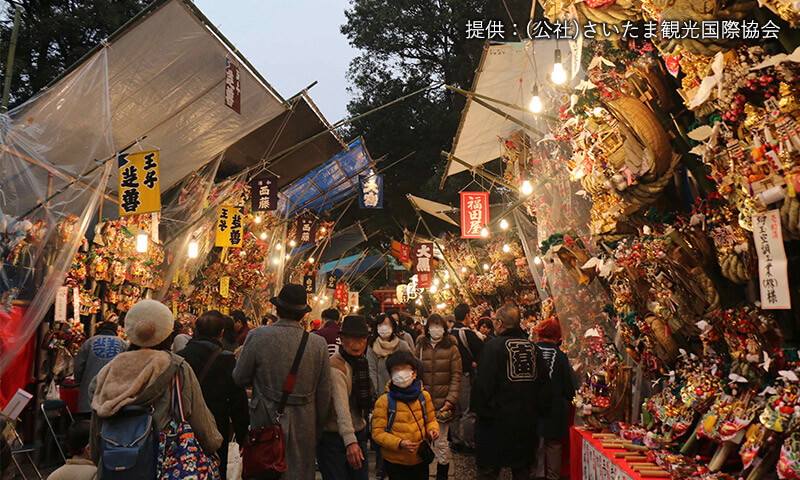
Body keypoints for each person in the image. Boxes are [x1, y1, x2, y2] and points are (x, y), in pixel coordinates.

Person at [89, 300, 222, 466]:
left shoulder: (109, 371)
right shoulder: (176, 368)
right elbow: (200, 419)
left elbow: (97, 424)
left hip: (116, 464)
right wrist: (212, 447)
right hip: (163, 464)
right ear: (167, 332)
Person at [233, 284, 331, 480]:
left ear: (276, 310)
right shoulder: (317, 344)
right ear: (304, 315)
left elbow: (239, 377)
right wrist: (318, 428)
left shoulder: (258, 336)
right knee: (299, 472)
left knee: (265, 470)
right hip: (304, 421)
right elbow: (324, 392)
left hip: (265, 418)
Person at [471, 304, 552, 480]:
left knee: (489, 472)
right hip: (525, 425)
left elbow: (482, 387)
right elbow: (545, 387)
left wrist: (483, 414)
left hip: (494, 425)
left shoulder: (493, 348)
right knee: (522, 470)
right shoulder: (533, 349)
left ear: (499, 323)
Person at [177, 310, 249, 480]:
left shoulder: (179, 358)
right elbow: (238, 401)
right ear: (221, 333)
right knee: (216, 468)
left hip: (185, 425)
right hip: (216, 427)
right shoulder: (226, 360)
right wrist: (241, 436)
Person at [317, 315, 373, 480]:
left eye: (361, 338)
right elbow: (341, 407)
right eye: (351, 338)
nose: (356, 344)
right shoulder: (336, 366)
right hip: (334, 438)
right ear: (341, 339)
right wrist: (350, 442)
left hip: (359, 432)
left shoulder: (361, 362)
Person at [371, 351, 439, 480]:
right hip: (395, 461)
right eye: (396, 370)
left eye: (406, 369)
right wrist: (399, 443)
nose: (401, 374)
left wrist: (433, 430)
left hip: (419, 458)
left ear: (414, 373)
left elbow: (431, 419)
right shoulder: (384, 401)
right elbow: (377, 433)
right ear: (390, 374)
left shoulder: (423, 396)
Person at [414, 314, 462, 480]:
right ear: (427, 328)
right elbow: (414, 371)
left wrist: (451, 399)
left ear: (444, 328)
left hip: (443, 403)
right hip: (422, 402)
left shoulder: (452, 348)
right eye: (432, 325)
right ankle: (423, 472)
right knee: (423, 440)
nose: (436, 329)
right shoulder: (420, 347)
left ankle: (442, 474)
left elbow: (457, 375)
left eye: (439, 325)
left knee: (441, 442)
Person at [368, 314, 412, 479]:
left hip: (401, 394)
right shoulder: (372, 346)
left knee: (400, 430)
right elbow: (371, 369)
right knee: (381, 432)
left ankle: (399, 465)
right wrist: (375, 394)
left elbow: (411, 365)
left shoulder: (402, 345)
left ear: (394, 327)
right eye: (381, 324)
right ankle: (381, 466)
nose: (384, 328)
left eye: (387, 324)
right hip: (380, 396)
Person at [534, 318, 576, 480]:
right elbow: (568, 387)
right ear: (557, 335)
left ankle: (531, 474)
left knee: (532, 441)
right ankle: (553, 476)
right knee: (553, 444)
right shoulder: (560, 356)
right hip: (554, 406)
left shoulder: (530, 349)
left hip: (531, 404)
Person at [450, 303, 484, 451]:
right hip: (464, 375)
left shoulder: (449, 333)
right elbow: (481, 352)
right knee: (468, 411)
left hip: (450, 376)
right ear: (467, 316)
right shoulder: (467, 333)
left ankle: (455, 441)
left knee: (454, 411)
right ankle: (469, 443)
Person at [73, 321, 127, 415]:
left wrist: (78, 380)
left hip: (90, 388)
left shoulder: (89, 342)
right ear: (116, 331)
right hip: (113, 390)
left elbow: (78, 366)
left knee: (89, 418)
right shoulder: (123, 344)